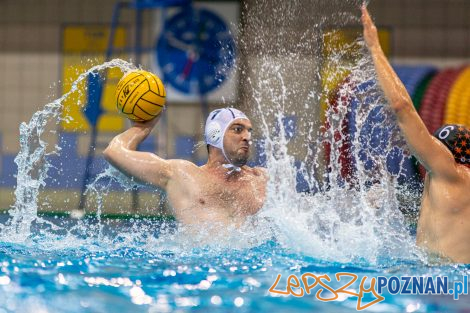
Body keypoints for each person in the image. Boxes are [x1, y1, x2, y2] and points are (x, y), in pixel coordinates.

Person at [361, 5, 470, 263]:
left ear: (445, 153)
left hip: (441, 285)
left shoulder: (448, 172)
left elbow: (402, 107)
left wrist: (375, 48)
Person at [103, 108, 267, 226]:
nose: (247, 137)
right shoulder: (183, 176)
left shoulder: (261, 179)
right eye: (238, 129)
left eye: (249, 131)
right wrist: (143, 127)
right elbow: (114, 152)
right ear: (215, 134)